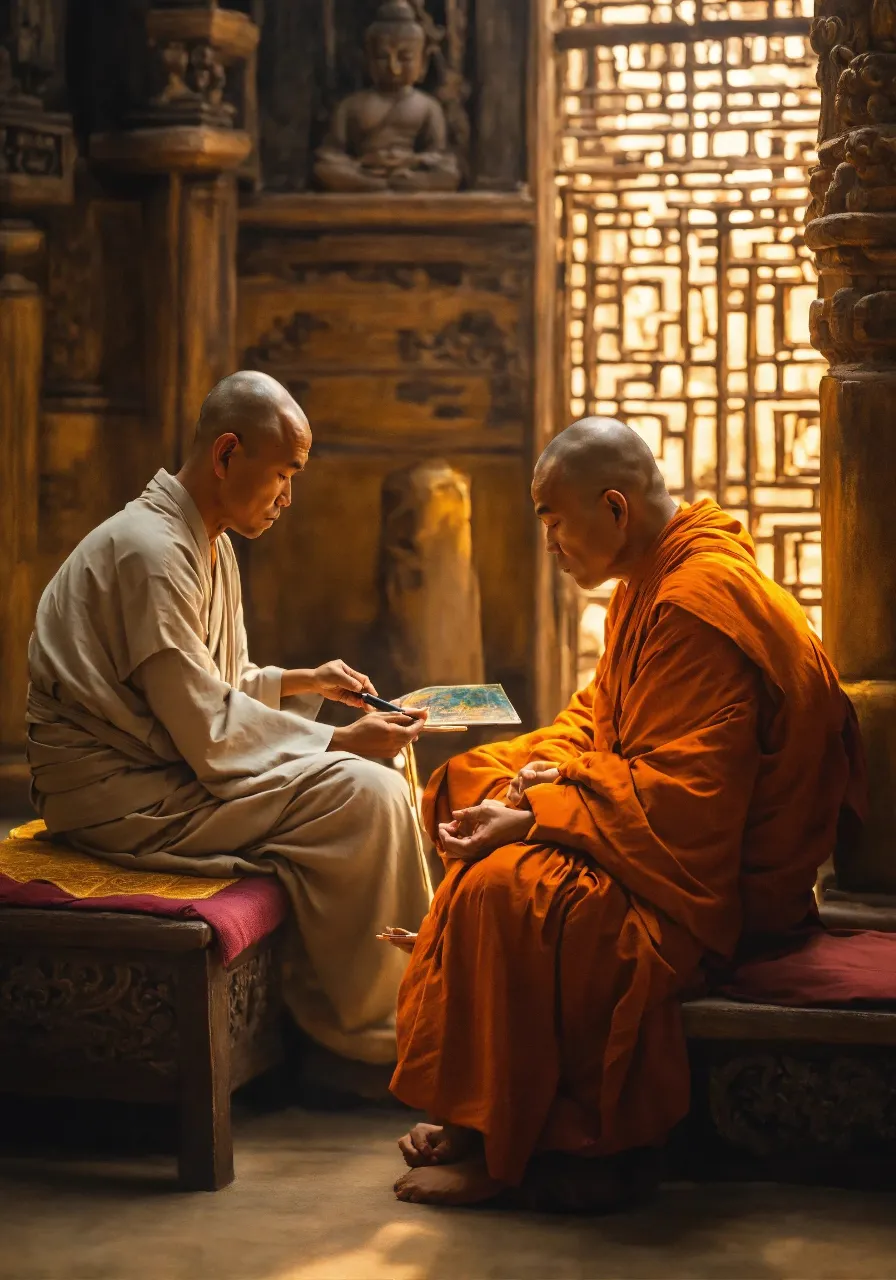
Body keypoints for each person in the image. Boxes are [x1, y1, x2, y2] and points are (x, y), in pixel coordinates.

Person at [386, 416, 866, 1206]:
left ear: (615, 509)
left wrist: (546, 809)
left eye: (552, 521)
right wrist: (532, 778)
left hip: (708, 883)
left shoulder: (695, 602)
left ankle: (533, 1152)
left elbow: (691, 805)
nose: (548, 543)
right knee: (469, 778)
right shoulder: (651, 579)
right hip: (648, 826)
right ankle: (477, 1115)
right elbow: (604, 715)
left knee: (508, 890)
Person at [26, 371, 432, 1066]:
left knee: (366, 780)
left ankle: (378, 1004)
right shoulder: (152, 553)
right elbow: (208, 731)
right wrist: (338, 739)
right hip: (124, 796)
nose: (288, 497)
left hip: (171, 769)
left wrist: (306, 682)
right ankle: (372, 1038)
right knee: (371, 795)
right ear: (225, 455)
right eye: (283, 474)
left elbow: (215, 688)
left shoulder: (202, 538)